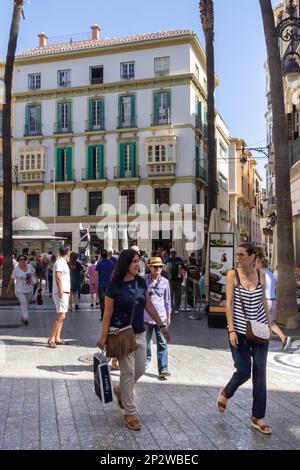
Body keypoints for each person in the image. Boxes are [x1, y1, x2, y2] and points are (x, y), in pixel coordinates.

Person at [97, 249, 169, 431]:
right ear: (125, 264)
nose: (138, 264)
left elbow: (150, 306)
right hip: (120, 332)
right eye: (134, 261)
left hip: (139, 332)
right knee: (128, 372)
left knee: (141, 368)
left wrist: (161, 325)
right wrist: (103, 335)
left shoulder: (140, 283)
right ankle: (130, 412)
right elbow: (107, 312)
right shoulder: (114, 285)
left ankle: (122, 391)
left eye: (139, 261)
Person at [218, 243, 273, 435]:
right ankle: (226, 392)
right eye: (237, 255)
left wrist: (269, 324)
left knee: (260, 376)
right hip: (239, 332)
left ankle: (257, 418)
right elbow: (229, 304)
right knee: (243, 371)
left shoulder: (261, 275)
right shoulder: (232, 275)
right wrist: (231, 330)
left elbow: (264, 302)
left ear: (252, 256)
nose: (238, 257)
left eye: (241, 255)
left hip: (259, 332)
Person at [255, 257, 292, 352]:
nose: (254, 265)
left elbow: (259, 288)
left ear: (260, 264)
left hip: (266, 301)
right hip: (272, 300)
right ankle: (282, 338)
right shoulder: (270, 273)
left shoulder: (261, 274)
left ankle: (261, 341)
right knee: (270, 323)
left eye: (256, 263)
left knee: (260, 321)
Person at [144, 256, 171, 379]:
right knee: (146, 342)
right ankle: (146, 361)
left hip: (161, 317)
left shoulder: (165, 282)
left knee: (162, 343)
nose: (158, 268)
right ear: (150, 267)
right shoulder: (144, 280)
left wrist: (168, 315)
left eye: (160, 266)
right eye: (155, 266)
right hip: (146, 317)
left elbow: (167, 300)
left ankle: (163, 368)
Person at [47, 245, 71, 348]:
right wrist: (61, 291)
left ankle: (57, 338)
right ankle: (51, 339)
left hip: (64, 291)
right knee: (61, 315)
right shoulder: (60, 262)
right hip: (61, 292)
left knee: (62, 315)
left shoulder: (62, 262)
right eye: (69, 251)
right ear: (67, 252)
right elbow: (58, 277)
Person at [6, 254, 36, 326]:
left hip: (29, 289)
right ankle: (25, 318)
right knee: (24, 303)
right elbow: (12, 280)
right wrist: (8, 289)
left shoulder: (30, 267)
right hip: (19, 290)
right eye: (20, 259)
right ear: (18, 261)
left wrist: (37, 282)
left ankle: (23, 317)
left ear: (26, 260)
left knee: (26, 304)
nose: (22, 261)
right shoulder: (16, 270)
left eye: (24, 259)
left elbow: (34, 274)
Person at [96, 249, 115, 320]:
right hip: (109, 284)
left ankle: (103, 315)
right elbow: (113, 273)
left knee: (102, 301)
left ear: (101, 255)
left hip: (101, 284)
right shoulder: (111, 263)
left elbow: (96, 274)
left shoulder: (99, 263)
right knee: (110, 300)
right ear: (107, 255)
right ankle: (110, 315)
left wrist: (94, 283)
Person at [165, 249, 185, 314]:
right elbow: (165, 268)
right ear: (170, 253)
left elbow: (183, 266)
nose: (173, 253)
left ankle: (176, 308)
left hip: (178, 279)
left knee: (178, 294)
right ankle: (171, 307)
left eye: (174, 252)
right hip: (170, 279)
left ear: (176, 253)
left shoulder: (179, 259)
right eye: (172, 252)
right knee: (170, 294)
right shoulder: (168, 260)